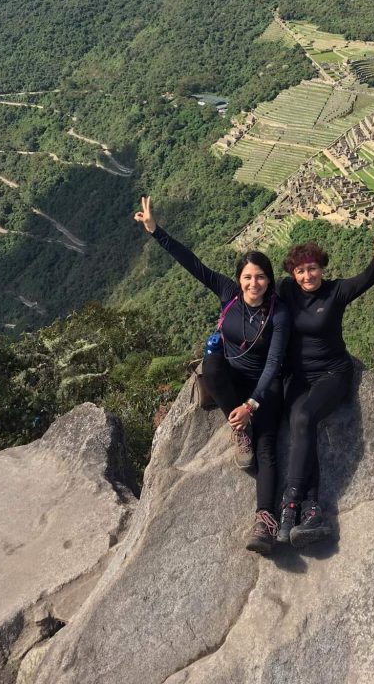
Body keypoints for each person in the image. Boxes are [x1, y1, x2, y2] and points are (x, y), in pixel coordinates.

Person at [134, 196, 290, 556]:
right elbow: (192, 263)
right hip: (231, 381)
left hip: (264, 389)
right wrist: (156, 231)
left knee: (267, 446)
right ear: (239, 279)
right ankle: (237, 430)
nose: (254, 283)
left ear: (269, 280)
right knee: (213, 363)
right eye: (248, 277)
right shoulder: (228, 294)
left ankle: (265, 520)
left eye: (261, 277)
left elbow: (275, 362)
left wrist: (251, 404)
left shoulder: (277, 315)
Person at [276, 218, 374, 547]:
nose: (307, 276)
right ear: (292, 274)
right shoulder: (286, 290)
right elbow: (253, 293)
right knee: (303, 427)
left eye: (312, 268)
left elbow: (367, 279)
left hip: (332, 374)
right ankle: (311, 511)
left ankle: (290, 507)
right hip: (298, 378)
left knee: (303, 418)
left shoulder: (336, 291)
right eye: (300, 271)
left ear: (321, 268)